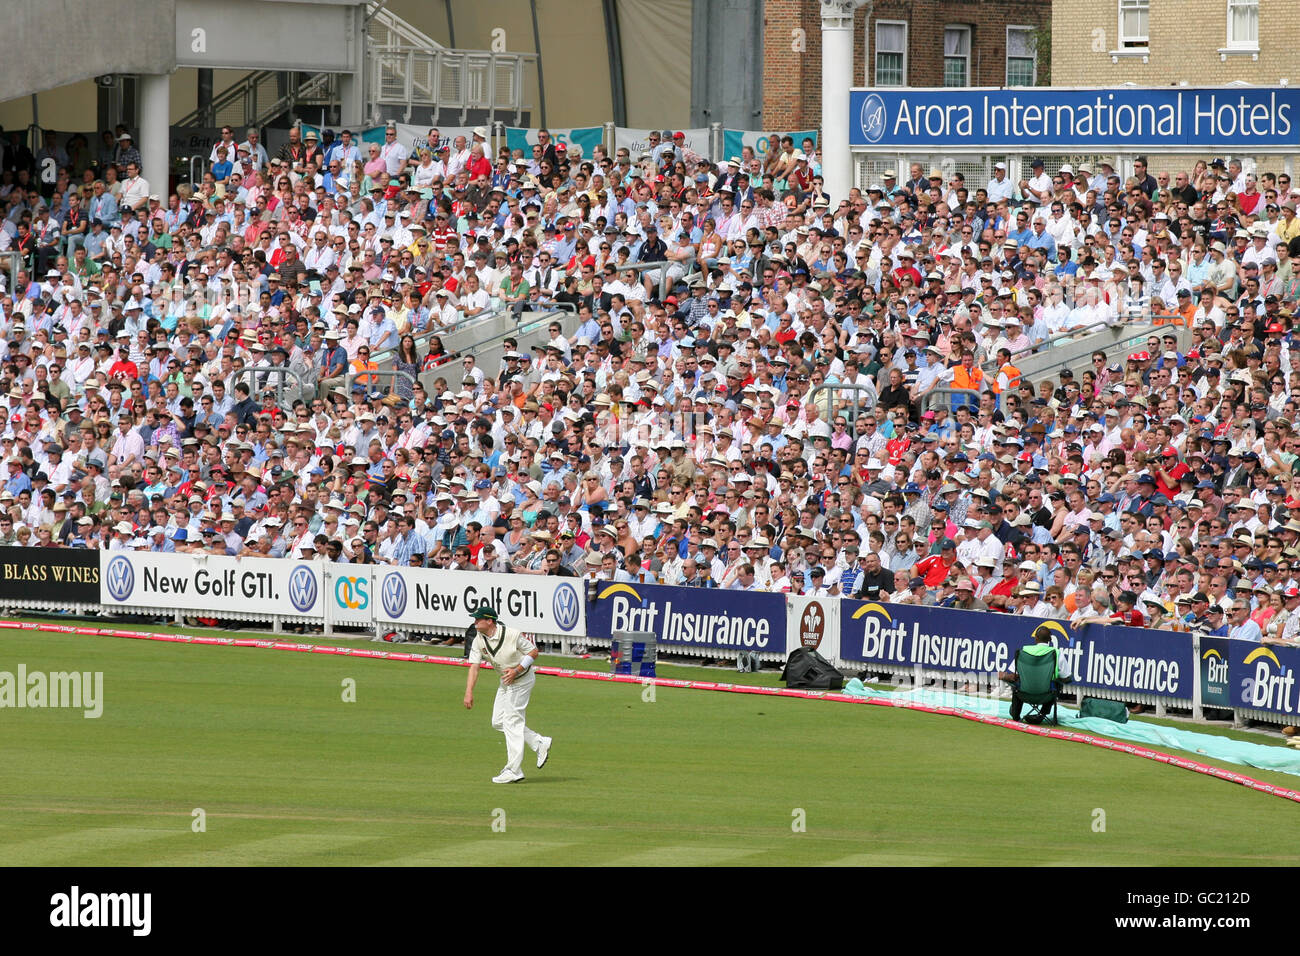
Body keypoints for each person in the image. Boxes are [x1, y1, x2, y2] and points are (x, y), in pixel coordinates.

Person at [462, 604, 553, 784]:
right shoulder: (479, 639)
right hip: (505, 681)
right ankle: (538, 742)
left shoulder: (512, 634)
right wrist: (468, 692)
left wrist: (517, 670)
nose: (474, 622)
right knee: (498, 722)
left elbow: (533, 652)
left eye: (478, 619)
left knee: (512, 721)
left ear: (489, 621)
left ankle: (514, 770)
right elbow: (474, 667)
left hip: (522, 680)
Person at [999, 623, 1073, 724]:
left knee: (1016, 682)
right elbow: (1067, 677)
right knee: (1056, 685)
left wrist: (1003, 676)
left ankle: (1015, 715)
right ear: (1050, 640)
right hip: (1047, 695)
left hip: (1023, 694)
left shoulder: (1024, 651)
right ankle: (1041, 715)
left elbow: (1013, 675)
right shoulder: (1056, 653)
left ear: (1036, 638)